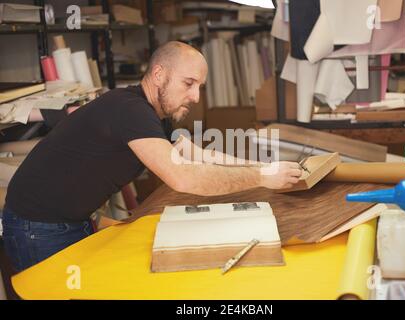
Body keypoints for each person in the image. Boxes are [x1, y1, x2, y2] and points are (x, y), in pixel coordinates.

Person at [2, 41, 302, 272]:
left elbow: (198, 155)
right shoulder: (129, 110)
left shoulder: (156, 115)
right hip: (38, 227)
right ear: (159, 75)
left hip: (69, 219)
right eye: (188, 84)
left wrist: (266, 166)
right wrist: (263, 178)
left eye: (199, 87)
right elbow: (183, 176)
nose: (196, 97)